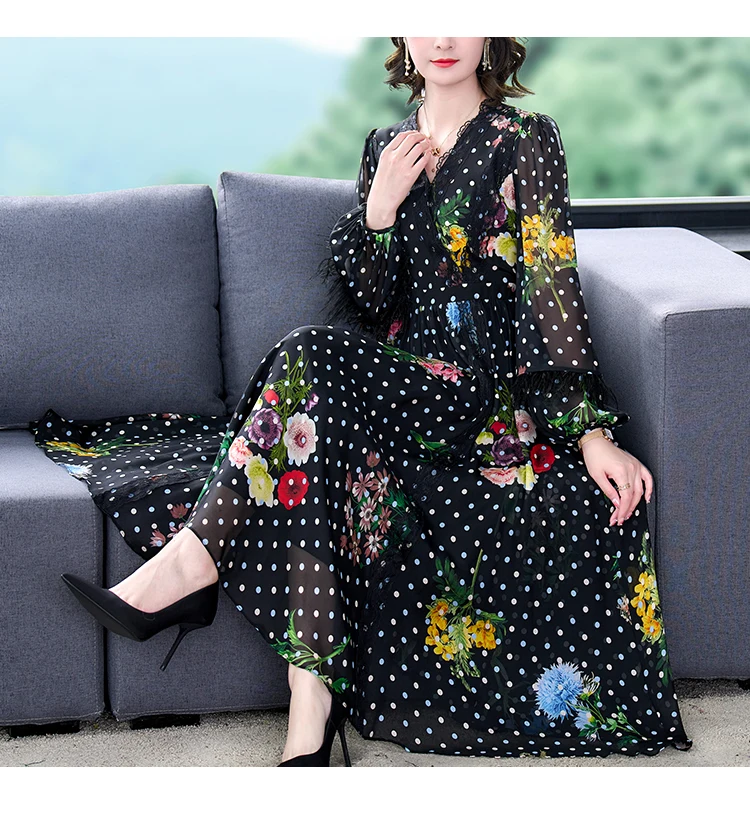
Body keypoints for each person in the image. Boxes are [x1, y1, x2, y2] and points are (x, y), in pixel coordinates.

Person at [41, 36, 693, 765]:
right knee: (313, 431)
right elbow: (374, 304)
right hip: (405, 386)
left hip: (481, 401)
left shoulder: (526, 137)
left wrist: (590, 432)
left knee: (307, 352)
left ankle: (189, 566)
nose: (442, 37)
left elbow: (550, 281)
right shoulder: (385, 145)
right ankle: (310, 711)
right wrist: (379, 209)